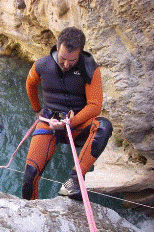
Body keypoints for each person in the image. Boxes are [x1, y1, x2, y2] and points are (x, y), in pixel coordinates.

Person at [22, 27, 113, 201]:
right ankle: (31, 213)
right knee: (29, 177)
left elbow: (95, 106)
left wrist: (71, 122)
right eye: (63, 58)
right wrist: (37, 109)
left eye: (72, 60)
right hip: (49, 121)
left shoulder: (90, 69)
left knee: (103, 126)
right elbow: (30, 84)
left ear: (80, 53)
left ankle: (72, 182)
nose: (66, 64)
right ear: (57, 48)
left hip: (76, 123)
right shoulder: (41, 65)